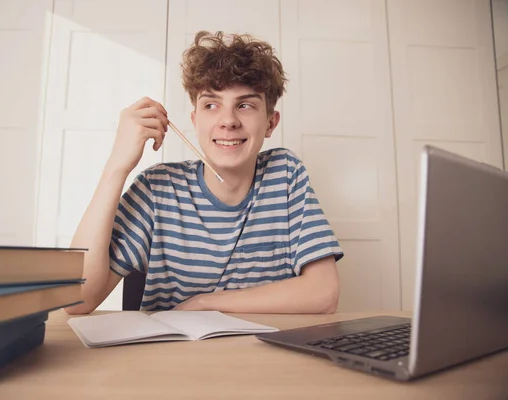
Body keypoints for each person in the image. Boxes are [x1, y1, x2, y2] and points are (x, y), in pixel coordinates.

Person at [65, 31, 343, 315]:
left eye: (245, 105)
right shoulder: (157, 189)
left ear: (270, 123)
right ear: (195, 121)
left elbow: (324, 293)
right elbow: (75, 301)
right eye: (211, 105)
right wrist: (117, 165)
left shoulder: (285, 175)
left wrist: (205, 302)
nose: (228, 121)